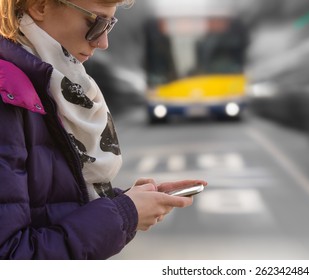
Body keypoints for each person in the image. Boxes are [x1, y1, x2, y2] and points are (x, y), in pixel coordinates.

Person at [0, 0, 207, 259]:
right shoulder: (8, 94)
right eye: (96, 22)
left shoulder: (50, 89)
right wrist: (124, 214)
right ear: (40, 6)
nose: (103, 42)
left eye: (109, 24)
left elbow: (49, 206)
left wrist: (129, 201)